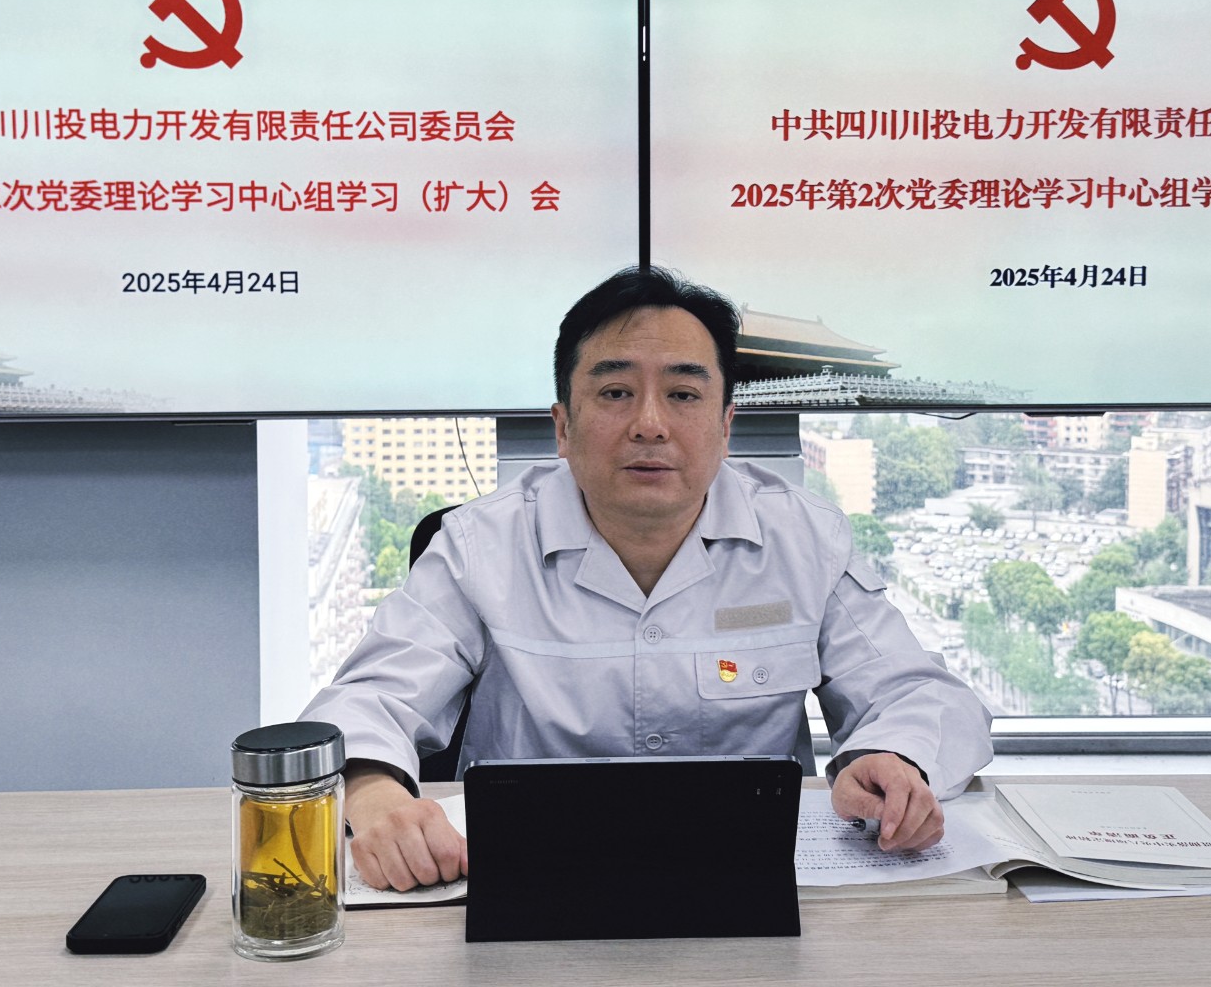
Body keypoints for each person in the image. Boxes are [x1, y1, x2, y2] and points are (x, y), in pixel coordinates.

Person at [301, 266, 992, 891]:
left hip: (748, 891)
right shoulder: (479, 547)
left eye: (684, 394)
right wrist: (372, 793)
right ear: (563, 427)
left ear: (725, 424)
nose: (651, 425)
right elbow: (367, 698)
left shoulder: (803, 539)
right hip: (530, 887)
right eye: (615, 392)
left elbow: (922, 694)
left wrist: (893, 758)